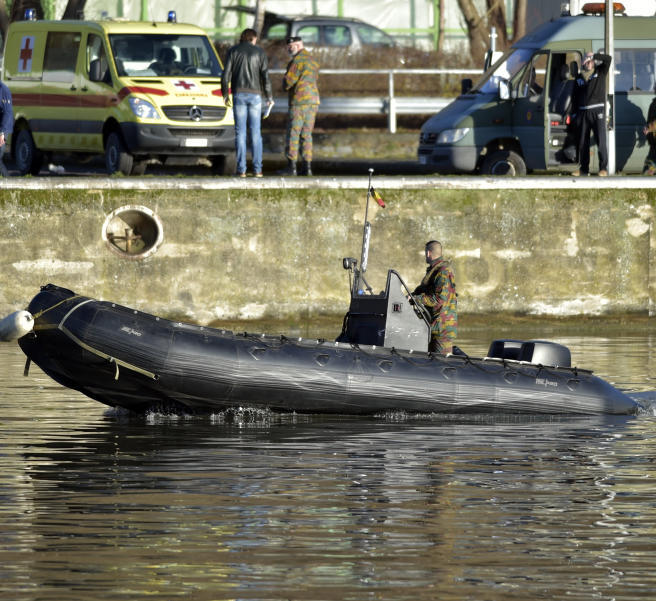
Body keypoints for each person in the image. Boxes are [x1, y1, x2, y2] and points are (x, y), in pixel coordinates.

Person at [221, 28, 273, 177]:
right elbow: (265, 77)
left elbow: (226, 75)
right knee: (256, 133)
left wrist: (225, 93)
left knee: (240, 133)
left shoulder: (233, 51)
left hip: (238, 94)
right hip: (256, 95)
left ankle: (241, 169)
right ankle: (258, 170)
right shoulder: (260, 52)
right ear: (253, 38)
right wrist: (269, 96)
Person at [279, 36, 320, 176]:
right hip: (313, 101)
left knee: (294, 133)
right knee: (307, 134)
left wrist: (283, 82)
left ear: (297, 45)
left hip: (299, 101)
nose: (289, 49)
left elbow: (288, 82)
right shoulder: (312, 60)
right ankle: (307, 167)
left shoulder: (297, 61)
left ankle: (291, 167)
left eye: (291, 46)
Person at [411, 240, 457, 355]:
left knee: (442, 364)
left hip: (442, 327)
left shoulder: (442, 272)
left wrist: (416, 299)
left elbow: (438, 299)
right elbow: (423, 292)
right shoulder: (435, 271)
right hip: (435, 325)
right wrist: (411, 297)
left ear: (428, 253)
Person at [573, 51, 612, 177]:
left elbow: (608, 59)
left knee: (601, 140)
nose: (589, 62)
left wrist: (594, 56)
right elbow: (575, 96)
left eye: (590, 60)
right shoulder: (579, 77)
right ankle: (584, 169)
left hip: (597, 111)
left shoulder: (601, 71)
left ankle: (603, 169)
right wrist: (575, 114)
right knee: (583, 143)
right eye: (587, 59)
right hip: (583, 113)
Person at [0, 78, 14, 177]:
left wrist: (2, 133)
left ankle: (8, 184)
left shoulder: (3, 90)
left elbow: (7, 113)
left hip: (2, 128)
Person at [642, 89, 656, 175]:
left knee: (648, 169)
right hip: (653, 142)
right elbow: (649, 120)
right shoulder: (653, 104)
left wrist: (649, 128)